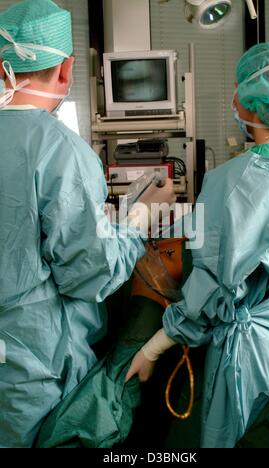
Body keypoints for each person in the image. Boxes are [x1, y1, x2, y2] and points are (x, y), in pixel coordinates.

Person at [0, 0, 175, 448]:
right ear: (66, 70)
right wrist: (138, 219)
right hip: (28, 367)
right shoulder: (59, 150)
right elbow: (90, 274)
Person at [126, 42, 269, 448]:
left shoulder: (231, 183)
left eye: (239, 88)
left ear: (255, 105)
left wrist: (153, 349)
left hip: (250, 366)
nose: (233, 97)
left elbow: (208, 296)